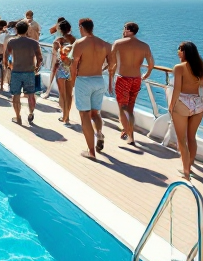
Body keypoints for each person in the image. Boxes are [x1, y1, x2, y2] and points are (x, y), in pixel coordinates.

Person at [169, 42, 203, 181]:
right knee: (191, 137)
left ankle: (186, 173)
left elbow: (177, 89)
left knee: (182, 140)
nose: (178, 52)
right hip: (198, 104)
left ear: (184, 52)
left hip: (182, 102)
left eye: (179, 49)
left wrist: (171, 105)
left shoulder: (179, 67)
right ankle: (190, 166)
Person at [70, 18, 111, 159]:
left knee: (84, 115)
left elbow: (74, 65)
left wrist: (73, 82)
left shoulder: (79, 43)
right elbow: (112, 65)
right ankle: (99, 133)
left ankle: (91, 152)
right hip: (99, 80)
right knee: (95, 113)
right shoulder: (105, 44)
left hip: (84, 80)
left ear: (81, 27)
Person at [108, 22, 154, 145]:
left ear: (128, 30)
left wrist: (110, 81)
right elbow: (151, 64)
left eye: (124, 29)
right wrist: (146, 75)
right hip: (136, 79)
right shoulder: (144, 46)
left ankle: (130, 135)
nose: (123, 32)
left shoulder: (118, 43)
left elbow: (112, 64)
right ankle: (128, 131)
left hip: (123, 79)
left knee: (122, 108)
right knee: (130, 108)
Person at [4, 21, 44, 125]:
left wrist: (8, 66)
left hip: (16, 71)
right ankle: (31, 113)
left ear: (16, 30)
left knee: (16, 95)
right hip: (29, 71)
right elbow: (40, 58)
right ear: (27, 30)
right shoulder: (34, 43)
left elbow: (6, 56)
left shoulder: (12, 42)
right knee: (31, 95)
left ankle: (18, 117)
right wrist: (36, 68)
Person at [48, 20, 76, 124]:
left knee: (62, 94)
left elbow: (55, 58)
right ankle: (67, 116)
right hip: (71, 68)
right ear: (70, 29)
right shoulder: (75, 41)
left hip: (61, 68)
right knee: (69, 94)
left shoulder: (57, 41)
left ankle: (65, 116)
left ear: (59, 30)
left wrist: (53, 70)